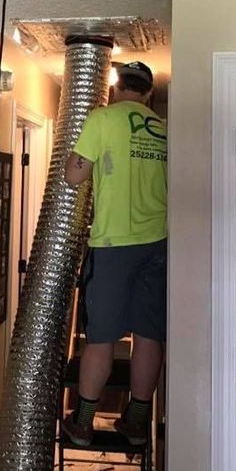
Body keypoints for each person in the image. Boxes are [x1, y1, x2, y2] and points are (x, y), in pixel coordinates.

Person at [62, 61, 167, 447]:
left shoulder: (102, 118)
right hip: (158, 242)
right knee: (149, 336)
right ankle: (137, 423)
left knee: (102, 338)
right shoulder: (163, 128)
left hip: (113, 244)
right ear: (149, 93)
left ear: (115, 88)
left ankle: (84, 423)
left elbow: (74, 175)